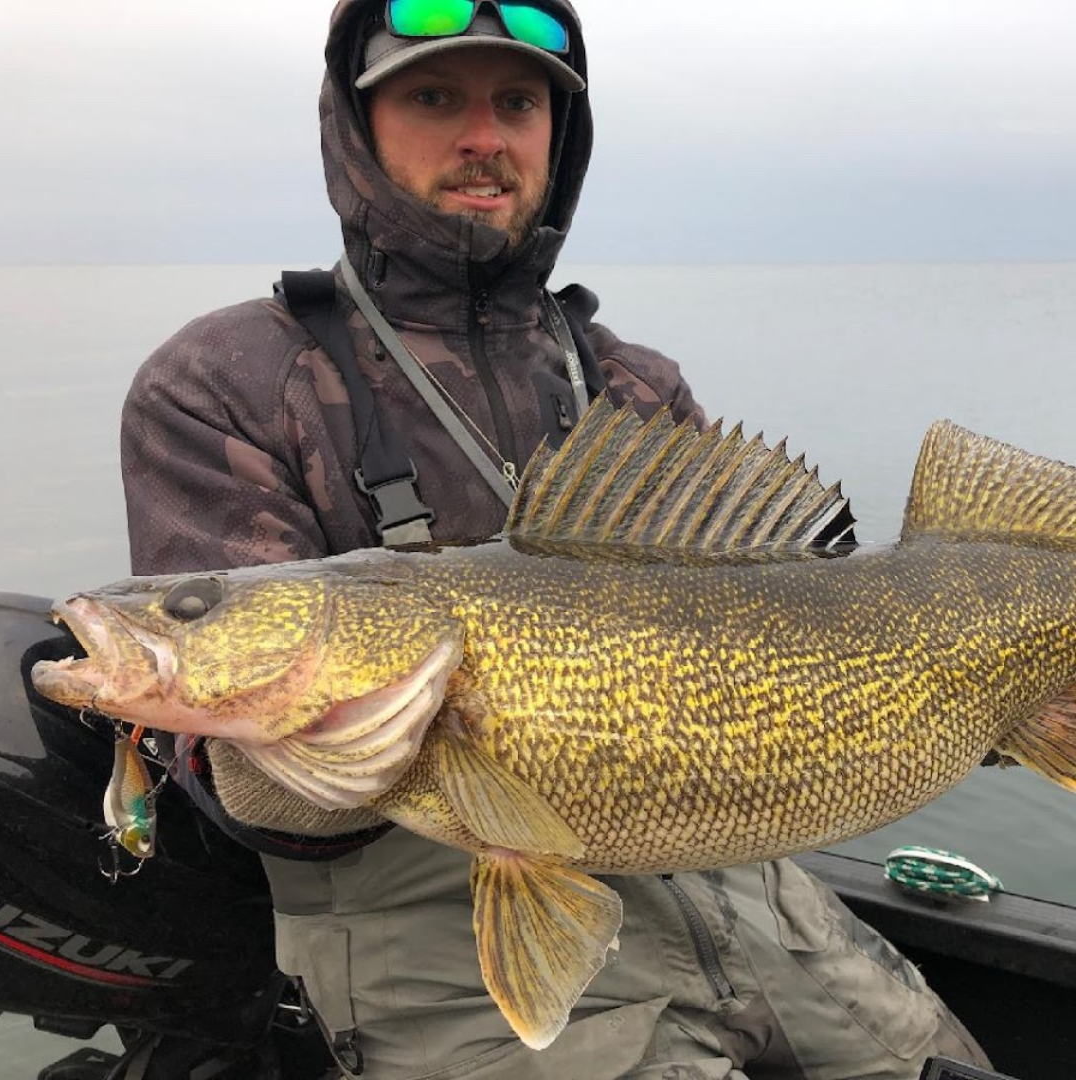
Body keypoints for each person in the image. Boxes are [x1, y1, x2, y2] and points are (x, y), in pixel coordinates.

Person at [120, 1, 991, 1077]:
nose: (484, 136)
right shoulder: (229, 382)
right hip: (428, 919)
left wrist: (977, 686)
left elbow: (788, 625)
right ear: (357, 124)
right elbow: (218, 766)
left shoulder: (635, 385)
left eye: (519, 102)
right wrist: (267, 757)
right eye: (435, 96)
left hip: (730, 875)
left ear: (558, 134)